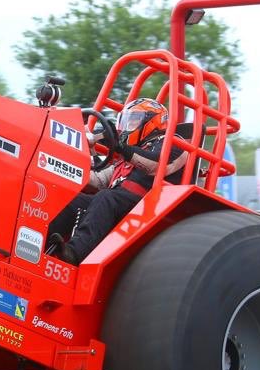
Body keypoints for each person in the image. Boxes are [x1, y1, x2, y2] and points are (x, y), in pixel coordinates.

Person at [48, 98, 193, 265]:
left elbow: (156, 164)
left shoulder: (175, 144)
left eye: (133, 121)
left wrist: (120, 147)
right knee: (75, 199)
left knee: (106, 197)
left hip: (147, 209)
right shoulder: (128, 157)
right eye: (125, 122)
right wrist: (68, 165)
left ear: (152, 122)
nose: (126, 128)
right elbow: (98, 179)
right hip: (118, 204)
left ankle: (75, 253)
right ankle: (41, 241)